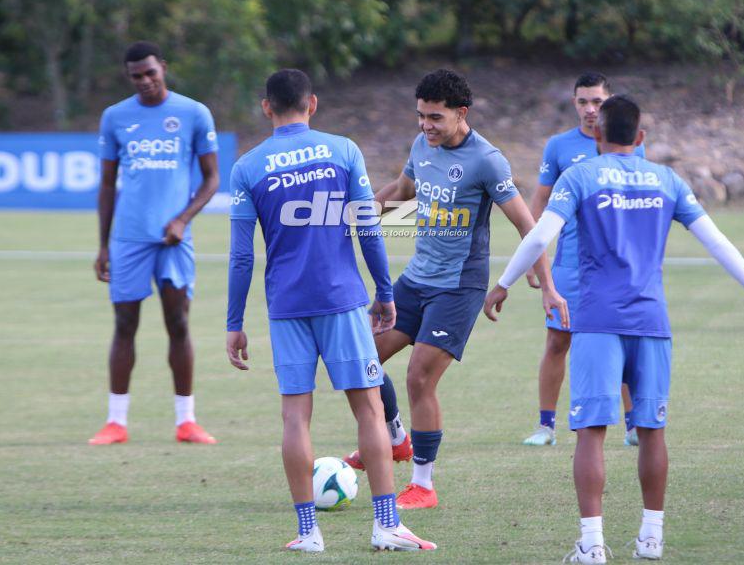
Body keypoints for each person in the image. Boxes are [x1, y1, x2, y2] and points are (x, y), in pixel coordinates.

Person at [483, 95, 744, 563]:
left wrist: (502, 283)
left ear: (598, 137)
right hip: (652, 323)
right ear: (641, 138)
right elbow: (715, 239)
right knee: (652, 431)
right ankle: (651, 538)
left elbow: (542, 234)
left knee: (591, 432)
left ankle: (592, 543)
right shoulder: (667, 180)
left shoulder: (580, 175)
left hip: (598, 322)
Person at [225, 69, 435, 552]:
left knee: (295, 418)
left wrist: (234, 323)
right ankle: (386, 525)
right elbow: (367, 224)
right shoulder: (343, 150)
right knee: (368, 407)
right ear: (312, 104)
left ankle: (307, 533)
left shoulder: (248, 167)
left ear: (266, 108)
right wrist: (385, 290)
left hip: (286, 307)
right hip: (341, 300)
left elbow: (241, 256)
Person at [343, 68, 567, 509]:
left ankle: (423, 485)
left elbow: (528, 225)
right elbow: (402, 192)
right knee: (361, 361)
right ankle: (395, 440)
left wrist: (546, 284)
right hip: (414, 281)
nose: (426, 125)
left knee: (419, 377)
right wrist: (353, 218)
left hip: (459, 288)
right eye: (421, 116)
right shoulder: (421, 146)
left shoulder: (487, 160)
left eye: (435, 118)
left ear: (461, 114)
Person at [90, 41, 220, 445]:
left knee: (178, 324)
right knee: (124, 324)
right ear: (128, 77)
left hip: (174, 242)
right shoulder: (115, 117)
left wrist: (183, 219)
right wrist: (104, 245)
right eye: (136, 76)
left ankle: (186, 421)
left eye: (151, 72)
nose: (145, 81)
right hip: (129, 240)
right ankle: (116, 422)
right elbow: (108, 184)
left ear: (163, 67)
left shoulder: (194, 113)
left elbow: (212, 178)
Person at [523, 72, 644, 448]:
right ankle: (546, 427)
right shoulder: (559, 147)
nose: (590, 109)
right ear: (574, 103)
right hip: (569, 267)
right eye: (583, 102)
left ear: (609, 103)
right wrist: (534, 257)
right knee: (558, 342)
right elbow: (539, 203)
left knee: (622, 343)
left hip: (614, 268)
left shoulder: (629, 146)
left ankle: (632, 426)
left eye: (597, 102)